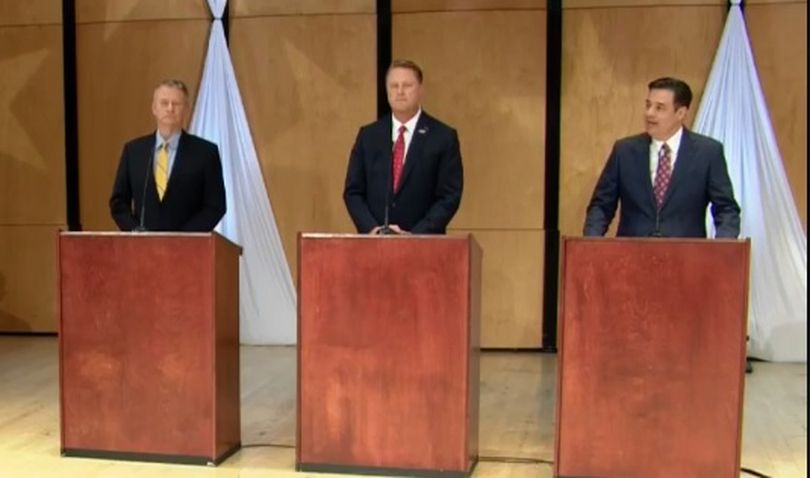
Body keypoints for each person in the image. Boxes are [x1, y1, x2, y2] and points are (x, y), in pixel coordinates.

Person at [583, 77, 740, 238]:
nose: (649, 113)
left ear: (681, 113)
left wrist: (722, 251)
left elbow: (726, 209)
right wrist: (591, 244)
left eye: (659, 108)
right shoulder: (624, 151)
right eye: (648, 105)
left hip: (687, 258)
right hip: (631, 256)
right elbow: (601, 206)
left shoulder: (708, 152)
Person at [343, 60, 463, 234]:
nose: (399, 92)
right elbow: (353, 191)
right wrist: (372, 229)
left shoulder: (442, 137)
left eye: (407, 85)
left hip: (424, 248)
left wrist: (415, 235)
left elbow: (449, 196)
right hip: (374, 246)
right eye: (394, 86)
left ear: (420, 89)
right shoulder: (369, 136)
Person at [109, 79, 226, 232]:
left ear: (186, 110)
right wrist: (134, 230)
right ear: (154, 108)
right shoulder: (134, 151)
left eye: (176, 104)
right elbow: (119, 202)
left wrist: (184, 237)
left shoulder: (205, 153)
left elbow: (215, 206)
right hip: (142, 248)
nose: (170, 109)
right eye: (164, 103)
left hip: (189, 249)